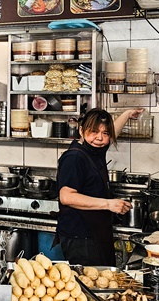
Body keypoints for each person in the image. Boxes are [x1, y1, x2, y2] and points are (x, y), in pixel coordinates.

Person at [55, 107, 143, 266]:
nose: (100, 138)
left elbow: (111, 130)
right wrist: (109, 204)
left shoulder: (94, 150)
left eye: (105, 133)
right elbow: (66, 196)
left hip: (96, 233)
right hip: (81, 237)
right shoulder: (74, 157)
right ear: (81, 130)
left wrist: (127, 114)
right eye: (94, 131)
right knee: (90, 284)